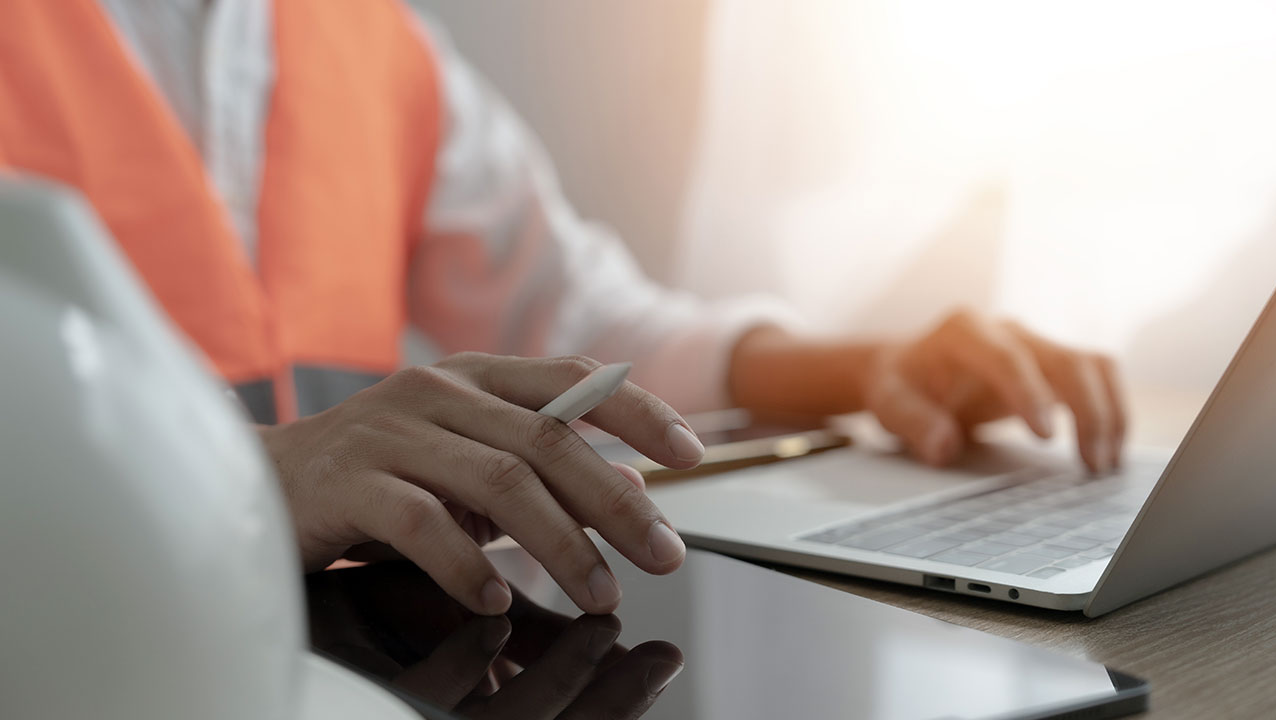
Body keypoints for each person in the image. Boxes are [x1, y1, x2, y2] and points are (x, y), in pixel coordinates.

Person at [0, 0, 1125, 617]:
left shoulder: (372, 43)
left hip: (344, 651)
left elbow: (580, 314)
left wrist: (858, 367)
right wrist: (253, 474)